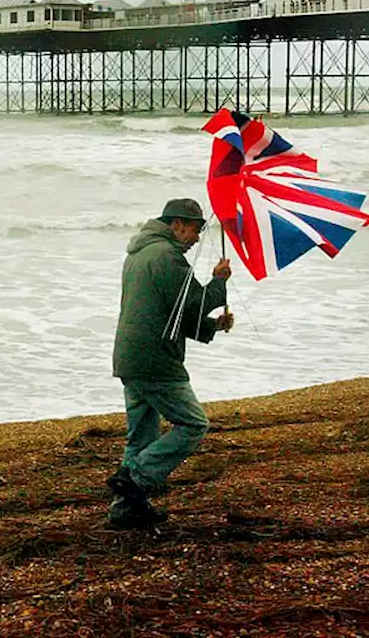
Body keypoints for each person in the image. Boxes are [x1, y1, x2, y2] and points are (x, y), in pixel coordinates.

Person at [107, 198, 233, 528]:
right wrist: (219, 281)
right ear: (177, 225)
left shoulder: (140, 253)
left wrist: (213, 326)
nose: (196, 238)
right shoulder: (167, 257)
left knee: (141, 435)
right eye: (195, 229)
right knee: (194, 424)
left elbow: (174, 314)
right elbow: (192, 305)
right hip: (155, 360)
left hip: (130, 357)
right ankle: (133, 477)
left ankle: (126, 509)